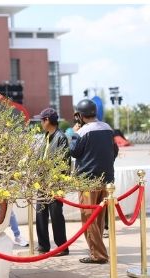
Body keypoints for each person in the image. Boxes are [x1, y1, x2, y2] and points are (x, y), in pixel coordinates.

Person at [69, 98, 119, 264]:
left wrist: (73, 133)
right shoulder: (107, 128)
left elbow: (74, 152)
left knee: (89, 219)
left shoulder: (82, 132)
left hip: (88, 181)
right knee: (99, 219)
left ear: (81, 115)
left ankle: (98, 255)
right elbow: (115, 151)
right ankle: (99, 251)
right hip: (107, 181)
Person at [33, 108, 70, 256]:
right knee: (40, 213)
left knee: (56, 215)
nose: (41, 123)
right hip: (42, 181)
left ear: (47, 120)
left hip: (55, 183)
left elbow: (64, 163)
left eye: (42, 120)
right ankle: (43, 246)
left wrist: (54, 179)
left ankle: (62, 247)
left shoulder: (61, 137)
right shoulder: (46, 136)